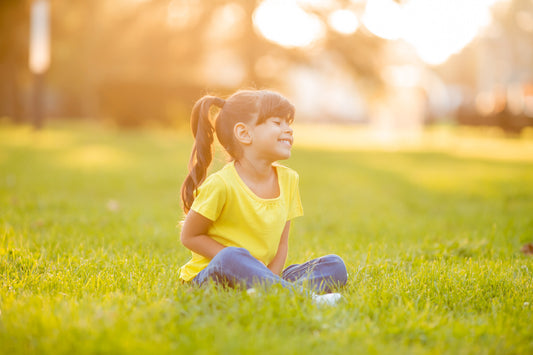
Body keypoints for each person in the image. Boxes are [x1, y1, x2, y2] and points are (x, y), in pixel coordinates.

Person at [178, 90, 347, 304]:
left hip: (263, 276)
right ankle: (305, 299)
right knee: (232, 256)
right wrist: (244, 263)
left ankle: (265, 293)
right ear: (244, 134)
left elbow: (282, 245)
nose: (289, 130)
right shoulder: (221, 184)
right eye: (277, 122)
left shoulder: (289, 180)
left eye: (289, 123)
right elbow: (189, 236)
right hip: (213, 277)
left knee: (334, 265)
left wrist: (267, 278)